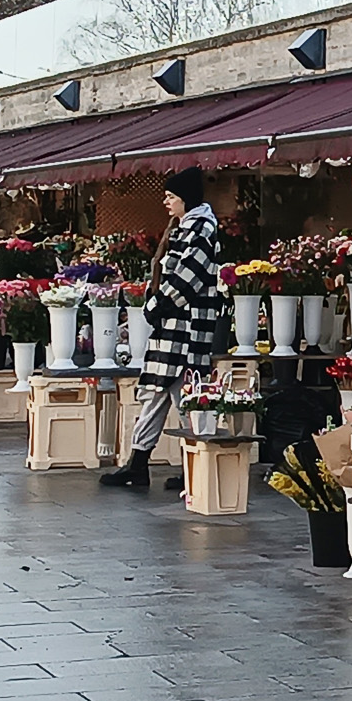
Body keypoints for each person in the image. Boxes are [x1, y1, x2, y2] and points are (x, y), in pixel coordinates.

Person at [101, 168, 224, 488]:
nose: (166, 202)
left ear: (186, 198)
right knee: (160, 393)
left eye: (171, 196)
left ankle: (191, 468)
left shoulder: (200, 229)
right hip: (173, 329)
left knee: (185, 397)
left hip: (185, 329)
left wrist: (156, 305)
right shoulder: (186, 226)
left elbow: (188, 277)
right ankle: (140, 463)